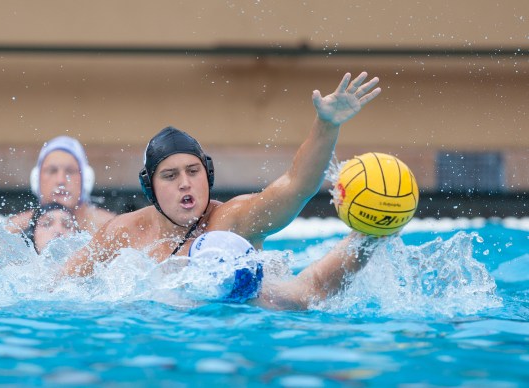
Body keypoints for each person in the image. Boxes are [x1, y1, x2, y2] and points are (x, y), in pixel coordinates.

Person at [61, 72, 382, 310]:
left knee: (303, 293)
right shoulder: (124, 233)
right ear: (150, 188)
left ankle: (369, 235)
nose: (185, 183)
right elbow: (58, 287)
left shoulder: (232, 220)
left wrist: (327, 125)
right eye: (170, 176)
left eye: (193, 171)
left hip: (249, 319)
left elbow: (296, 187)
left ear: (208, 175)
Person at [7, 136, 115, 234]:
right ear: (37, 180)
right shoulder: (13, 230)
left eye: (70, 171)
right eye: (52, 171)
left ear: (86, 180)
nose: (61, 180)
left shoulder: (111, 230)